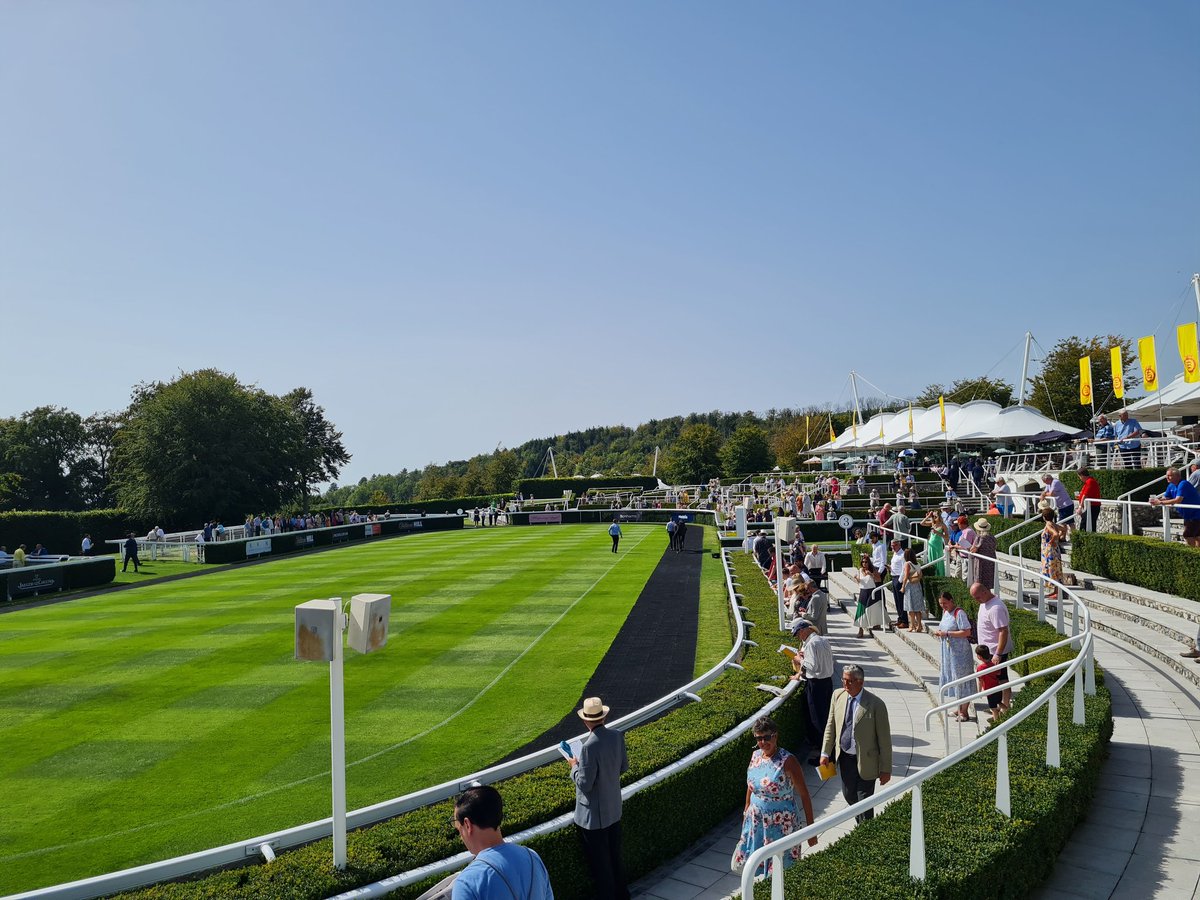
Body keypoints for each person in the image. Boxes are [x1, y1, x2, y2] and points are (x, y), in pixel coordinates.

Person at [731, 715, 817, 874]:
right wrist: (746, 812)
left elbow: (804, 795)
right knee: (754, 866)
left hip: (781, 825)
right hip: (756, 823)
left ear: (775, 735)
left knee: (781, 871)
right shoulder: (755, 756)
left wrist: (811, 830)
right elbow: (751, 786)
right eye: (759, 738)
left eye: (767, 737)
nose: (763, 742)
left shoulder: (788, 760)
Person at [569, 697, 629, 899]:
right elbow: (623, 767)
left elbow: (584, 784)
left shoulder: (588, 747)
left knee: (601, 867)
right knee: (615, 859)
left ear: (586, 721)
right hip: (613, 810)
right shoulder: (617, 736)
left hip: (593, 818)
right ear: (603, 716)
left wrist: (574, 767)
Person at [450, 785, 553, 900]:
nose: (461, 838)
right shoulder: (532, 857)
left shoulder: (466, 883)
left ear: (467, 825)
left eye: (459, 829)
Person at [820, 665, 892, 824]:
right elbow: (830, 726)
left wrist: (886, 769)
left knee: (864, 800)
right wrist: (825, 753)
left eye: (850, 681)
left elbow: (885, 741)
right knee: (849, 795)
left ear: (861, 682)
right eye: (844, 680)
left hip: (868, 762)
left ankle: (866, 833)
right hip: (845, 758)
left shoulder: (876, 704)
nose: (846, 685)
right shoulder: (837, 696)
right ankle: (863, 825)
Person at [788, 620, 835, 761]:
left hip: (817, 684)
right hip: (827, 682)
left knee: (818, 719)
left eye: (798, 634)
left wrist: (798, 659)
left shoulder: (811, 644)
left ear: (803, 631)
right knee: (825, 717)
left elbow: (812, 666)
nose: (798, 637)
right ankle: (825, 750)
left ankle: (825, 754)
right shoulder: (823, 640)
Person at [932, 591, 974, 721]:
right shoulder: (946, 613)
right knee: (954, 678)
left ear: (951, 600)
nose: (943, 606)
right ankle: (959, 708)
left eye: (945, 603)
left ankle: (964, 712)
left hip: (960, 652)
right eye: (940, 604)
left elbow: (967, 631)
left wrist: (948, 633)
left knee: (962, 678)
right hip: (949, 651)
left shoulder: (959, 613)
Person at [973, 583, 1011, 713]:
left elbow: (1003, 631)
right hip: (988, 651)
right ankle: (997, 707)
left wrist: (998, 654)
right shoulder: (985, 603)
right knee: (994, 680)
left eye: (977, 597)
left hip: (995, 651)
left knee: (1001, 679)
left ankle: (1005, 708)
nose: (976, 600)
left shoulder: (996, 608)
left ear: (985, 591)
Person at [1151, 465, 1200, 547]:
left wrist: (1160, 502)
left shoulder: (1183, 484)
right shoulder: (1171, 485)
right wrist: (1156, 500)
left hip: (1195, 514)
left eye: (1169, 475)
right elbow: (1166, 497)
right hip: (1188, 515)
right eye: (1166, 475)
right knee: (1196, 535)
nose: (1167, 477)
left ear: (1177, 476)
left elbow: (1178, 500)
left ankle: (1192, 554)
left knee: (1188, 535)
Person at [854, 555, 885, 638]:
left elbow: (879, 580)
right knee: (861, 610)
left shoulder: (873, 569)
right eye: (863, 562)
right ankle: (861, 630)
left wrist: (871, 574)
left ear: (869, 562)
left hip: (871, 591)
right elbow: (860, 582)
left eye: (866, 562)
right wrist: (856, 578)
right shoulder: (860, 570)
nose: (864, 563)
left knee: (873, 608)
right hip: (863, 591)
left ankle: (876, 623)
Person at [1039, 509, 1069, 598]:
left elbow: (1055, 533)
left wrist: (1052, 541)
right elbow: (1064, 529)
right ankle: (1056, 591)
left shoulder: (1048, 525)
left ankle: (1057, 592)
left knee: (1052, 569)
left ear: (1044, 517)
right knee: (1056, 569)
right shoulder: (1053, 524)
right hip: (1055, 550)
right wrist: (1059, 538)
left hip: (1049, 551)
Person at [976, 644, 1004, 724]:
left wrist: (979, 691)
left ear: (980, 657)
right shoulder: (993, 665)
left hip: (990, 690)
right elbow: (998, 673)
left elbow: (980, 680)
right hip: (997, 688)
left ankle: (996, 724)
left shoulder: (980, 668)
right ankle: (1008, 711)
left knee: (993, 708)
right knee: (999, 702)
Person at [901, 548, 926, 633]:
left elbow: (906, 576)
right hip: (917, 586)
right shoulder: (918, 564)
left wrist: (903, 586)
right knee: (917, 608)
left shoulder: (907, 564)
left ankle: (912, 626)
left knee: (910, 608)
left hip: (910, 586)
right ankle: (919, 626)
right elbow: (920, 574)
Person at [888, 539, 908, 630]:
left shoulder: (902, 554)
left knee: (901, 601)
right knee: (897, 601)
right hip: (894, 577)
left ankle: (904, 621)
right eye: (892, 545)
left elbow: (904, 569)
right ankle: (900, 618)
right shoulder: (895, 553)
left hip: (898, 579)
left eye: (894, 545)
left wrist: (900, 581)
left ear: (899, 545)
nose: (892, 547)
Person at [972, 518, 997, 589]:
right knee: (988, 582)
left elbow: (974, 549)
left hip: (981, 562)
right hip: (990, 561)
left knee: (980, 581)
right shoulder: (992, 537)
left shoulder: (979, 537)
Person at [1077, 467, 1102, 532]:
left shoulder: (1090, 481)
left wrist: (1080, 507)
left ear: (1082, 475)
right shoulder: (1088, 482)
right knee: (1087, 524)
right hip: (1090, 506)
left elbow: (1085, 495)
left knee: (1086, 525)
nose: (1080, 478)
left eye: (1079, 476)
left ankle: (1083, 539)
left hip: (1093, 506)